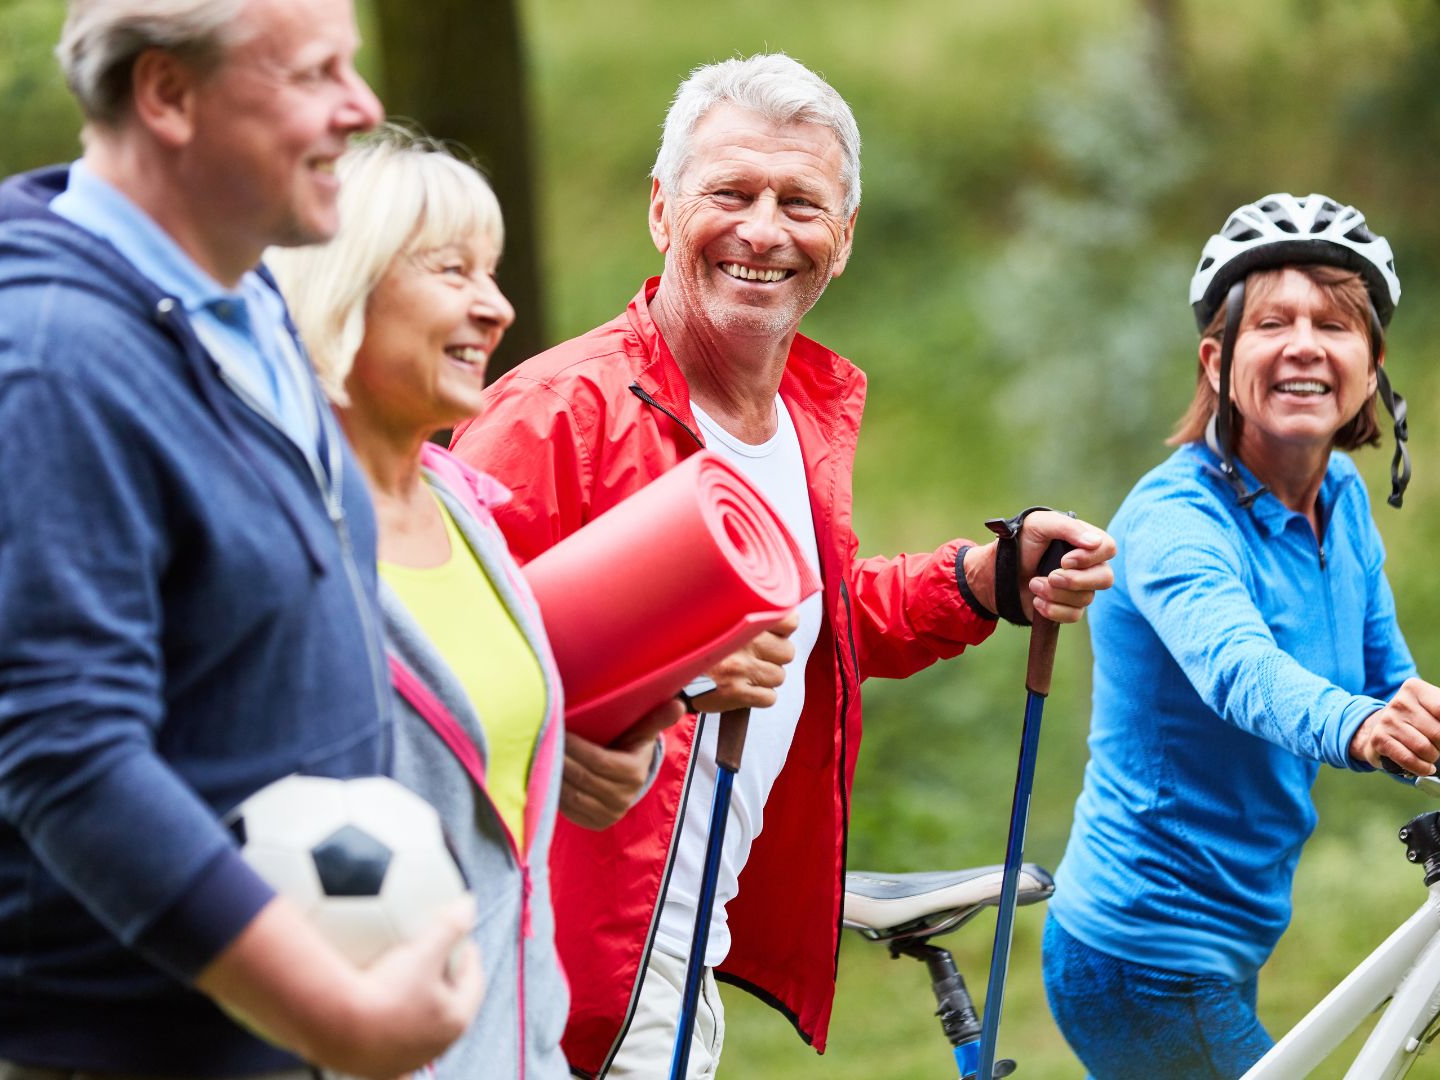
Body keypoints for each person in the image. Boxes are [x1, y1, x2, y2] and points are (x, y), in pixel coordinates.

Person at [0, 2, 485, 1078]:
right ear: (167, 94)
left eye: (355, 67)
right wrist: (334, 1014)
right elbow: (72, 761)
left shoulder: (243, 305)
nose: (363, 109)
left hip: (232, 1034)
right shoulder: (40, 366)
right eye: (313, 73)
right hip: (59, 1049)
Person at [449, 52, 1117, 1077]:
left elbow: (808, 626)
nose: (764, 230)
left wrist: (981, 581)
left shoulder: (798, 417)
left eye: (800, 202)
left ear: (841, 240)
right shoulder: (555, 418)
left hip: (678, 960)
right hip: (550, 973)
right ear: (663, 213)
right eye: (731, 192)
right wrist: (620, 701)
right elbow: (428, 670)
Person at [1042, 193, 1440, 1078]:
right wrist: (1361, 728)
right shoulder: (1174, 518)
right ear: (1218, 362)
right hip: (1141, 955)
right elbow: (1242, 671)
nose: (1304, 343)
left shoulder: (1341, 501)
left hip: (1230, 937)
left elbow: (1394, 686)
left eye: (1334, 323)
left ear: (1370, 368)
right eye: (1273, 322)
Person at [264, 129, 683, 1077]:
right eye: (451, 270)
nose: (495, 307)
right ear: (344, 280)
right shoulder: (266, 537)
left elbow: (480, 754)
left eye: (491, 273)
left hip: (507, 1044)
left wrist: (588, 753)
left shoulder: (464, 506)